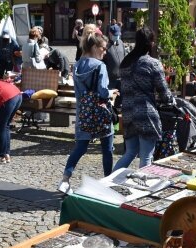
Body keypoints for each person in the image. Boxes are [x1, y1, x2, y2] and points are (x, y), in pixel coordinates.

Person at [58, 31, 113, 194]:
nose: (105, 51)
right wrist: (112, 93)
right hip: (100, 112)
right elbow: (103, 91)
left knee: (80, 148)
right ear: (95, 47)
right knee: (107, 148)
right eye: (103, 48)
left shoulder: (77, 65)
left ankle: (65, 180)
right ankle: (107, 183)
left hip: (84, 112)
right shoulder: (100, 66)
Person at [113, 27, 173, 171]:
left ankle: (109, 182)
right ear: (151, 43)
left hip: (128, 112)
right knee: (146, 157)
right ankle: (142, 190)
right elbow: (164, 92)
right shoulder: (153, 63)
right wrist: (170, 100)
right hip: (145, 113)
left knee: (130, 153)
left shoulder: (125, 63)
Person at [103, 23, 125, 90]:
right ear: (110, 34)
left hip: (121, 79)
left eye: (118, 35)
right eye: (115, 35)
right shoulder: (105, 45)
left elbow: (124, 56)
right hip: (110, 80)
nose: (117, 36)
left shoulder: (121, 42)